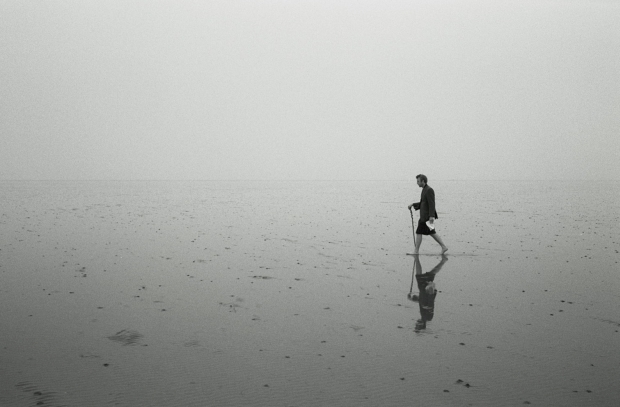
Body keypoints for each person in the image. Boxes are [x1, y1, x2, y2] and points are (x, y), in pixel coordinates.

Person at [408, 174, 448, 254]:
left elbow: (431, 203)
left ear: (423, 181)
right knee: (430, 232)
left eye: (418, 181)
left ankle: (416, 251)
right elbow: (423, 203)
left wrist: (431, 216)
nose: (417, 183)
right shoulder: (424, 189)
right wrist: (413, 204)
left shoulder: (429, 190)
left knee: (421, 232)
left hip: (426, 217)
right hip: (424, 216)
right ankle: (443, 247)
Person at [408, 254, 447, 331]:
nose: (416, 322)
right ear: (423, 324)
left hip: (423, 290)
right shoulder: (428, 317)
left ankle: (442, 261)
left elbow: (422, 302)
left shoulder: (423, 316)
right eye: (418, 324)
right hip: (426, 290)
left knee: (427, 274)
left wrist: (413, 299)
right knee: (426, 274)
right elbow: (430, 302)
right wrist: (431, 288)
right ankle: (417, 258)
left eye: (416, 324)